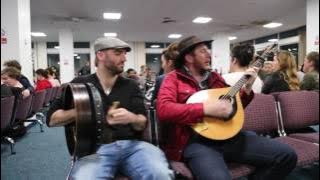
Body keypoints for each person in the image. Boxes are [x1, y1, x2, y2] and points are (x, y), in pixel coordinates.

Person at [156, 36, 297, 180]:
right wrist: (206, 109)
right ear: (189, 58)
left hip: (229, 136)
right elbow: (164, 110)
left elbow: (232, 104)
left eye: (208, 50)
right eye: (203, 51)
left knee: (287, 155)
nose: (209, 54)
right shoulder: (173, 79)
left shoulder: (215, 77)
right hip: (196, 142)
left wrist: (247, 89)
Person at [46, 37, 173, 180]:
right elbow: (51, 119)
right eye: (118, 53)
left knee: (160, 174)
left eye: (125, 54)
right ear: (100, 55)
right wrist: (85, 111)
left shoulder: (131, 85)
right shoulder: (79, 85)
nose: (124, 58)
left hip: (133, 147)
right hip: (94, 151)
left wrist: (131, 118)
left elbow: (142, 122)